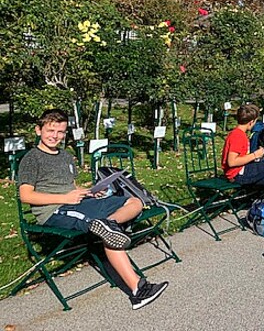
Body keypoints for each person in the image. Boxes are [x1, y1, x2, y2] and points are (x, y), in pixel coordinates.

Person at [17, 109, 168, 310]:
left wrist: (88, 192)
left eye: (60, 132)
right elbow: (26, 195)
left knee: (134, 201)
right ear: (38, 130)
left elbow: (70, 186)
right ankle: (138, 291)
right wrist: (66, 198)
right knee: (104, 229)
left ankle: (110, 224)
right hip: (53, 210)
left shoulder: (65, 156)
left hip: (76, 202)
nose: (55, 136)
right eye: (50, 130)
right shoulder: (32, 158)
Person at [222, 104, 264, 206]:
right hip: (238, 174)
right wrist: (255, 155)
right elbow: (232, 161)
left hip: (243, 170)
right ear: (251, 122)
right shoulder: (238, 136)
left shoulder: (238, 133)